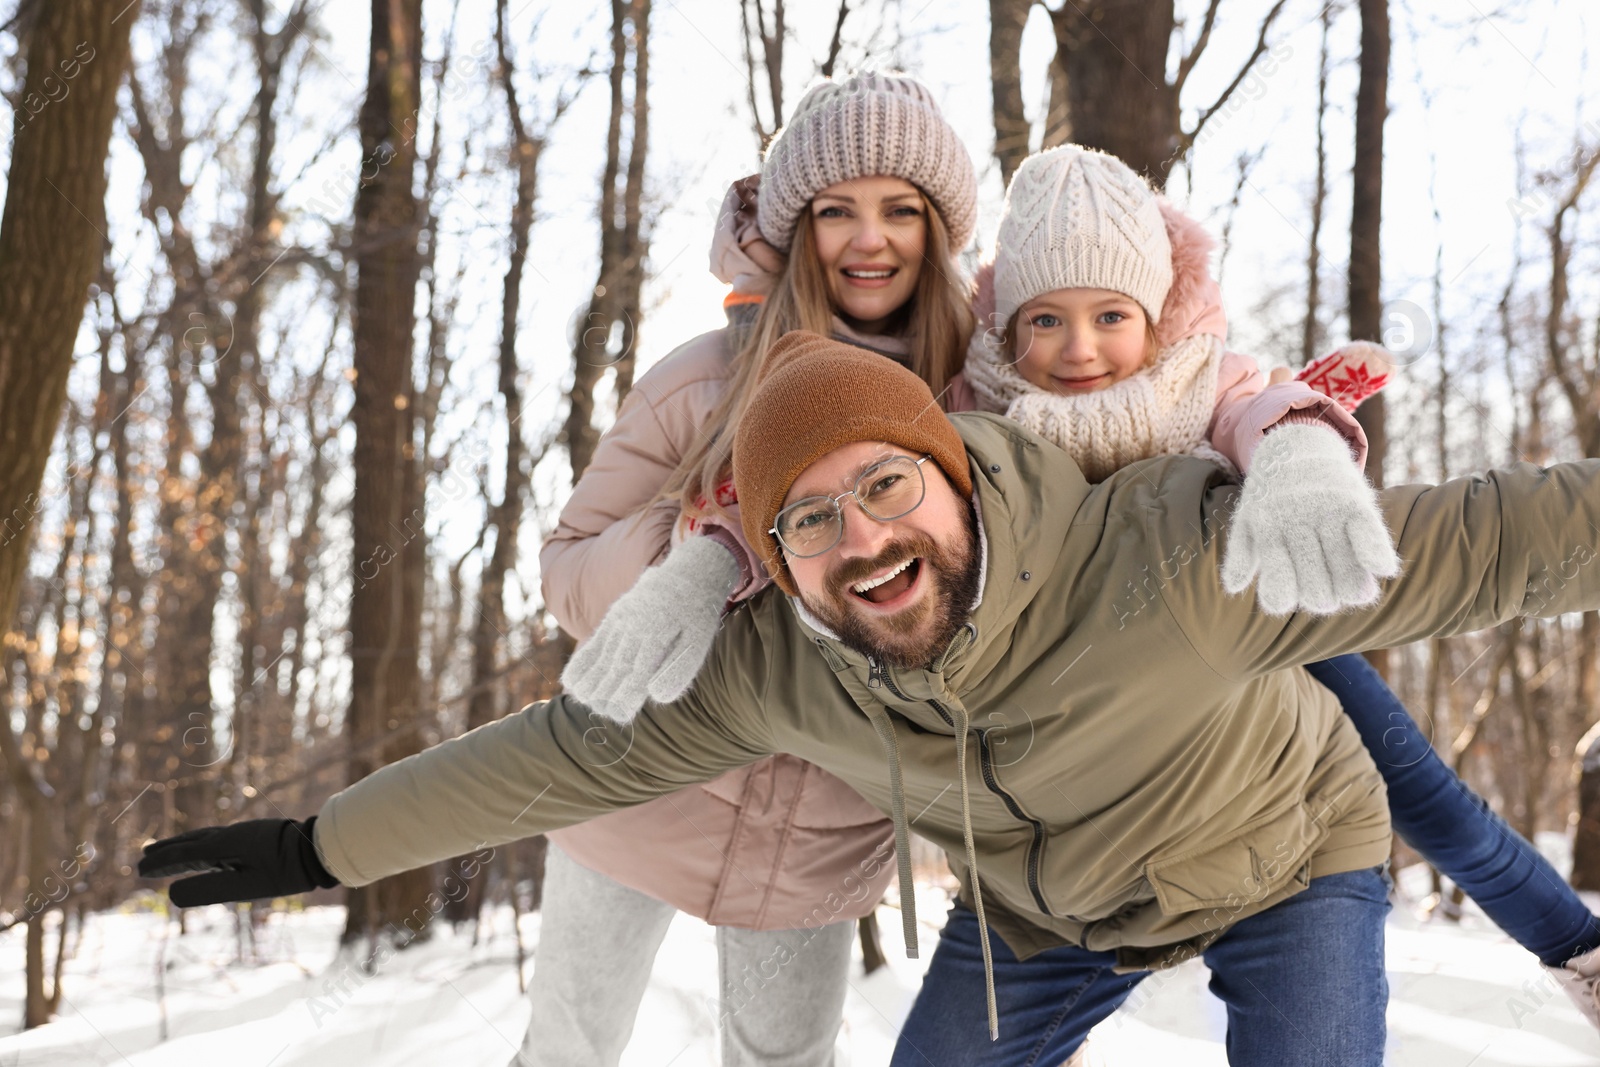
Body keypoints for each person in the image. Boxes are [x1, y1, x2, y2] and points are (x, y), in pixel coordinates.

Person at [142, 329, 1600, 1065]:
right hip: (1041, 913)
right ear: (768, 560)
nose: (865, 541)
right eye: (812, 522)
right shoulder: (786, 664)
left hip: (1284, 865)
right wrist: (318, 843)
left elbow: (1508, 533)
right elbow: (558, 758)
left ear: (952, 470)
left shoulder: (1175, 556)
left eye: (885, 485)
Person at [956, 143, 1600, 1019]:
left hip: (1260, 635)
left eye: (1111, 315)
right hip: (1108, 693)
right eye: (1046, 321)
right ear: (1007, 326)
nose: (1081, 349)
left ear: (1155, 314)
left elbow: (1259, 411)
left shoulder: (1201, 378)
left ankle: (1577, 948)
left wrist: (1298, 434)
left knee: (1424, 792)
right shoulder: (975, 411)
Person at [524, 70, 976, 1066]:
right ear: (794, 227)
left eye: (901, 209)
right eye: (836, 210)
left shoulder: (970, 402)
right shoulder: (700, 381)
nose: (870, 239)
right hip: (637, 780)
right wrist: (689, 548)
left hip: (823, 823)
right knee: (565, 1051)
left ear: (938, 231)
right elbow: (564, 567)